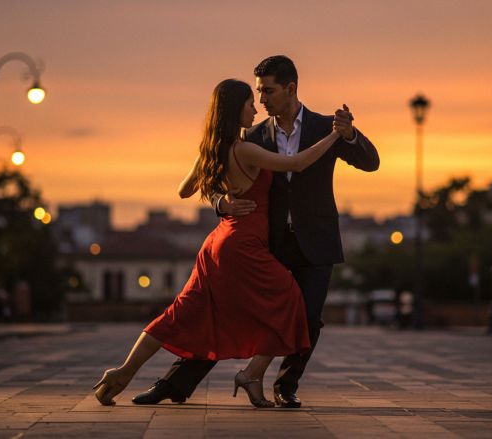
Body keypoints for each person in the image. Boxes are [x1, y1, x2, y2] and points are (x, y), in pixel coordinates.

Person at [133, 55, 380, 408]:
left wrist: (350, 134)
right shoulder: (252, 135)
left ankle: (285, 386)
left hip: (316, 240)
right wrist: (221, 203)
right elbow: (213, 179)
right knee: (226, 309)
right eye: (258, 92)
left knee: (308, 317)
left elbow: (371, 162)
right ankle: (175, 384)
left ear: (290, 88)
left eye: (268, 91)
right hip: (268, 240)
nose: (261, 99)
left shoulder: (328, 127)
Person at [93, 78, 344, 408]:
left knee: (180, 313)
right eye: (249, 104)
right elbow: (297, 163)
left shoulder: (210, 151)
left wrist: (221, 199)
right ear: (235, 109)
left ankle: (122, 372)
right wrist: (335, 135)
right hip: (243, 245)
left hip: (217, 244)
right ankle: (252, 374)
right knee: (291, 301)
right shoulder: (246, 149)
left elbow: (184, 190)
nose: (255, 109)